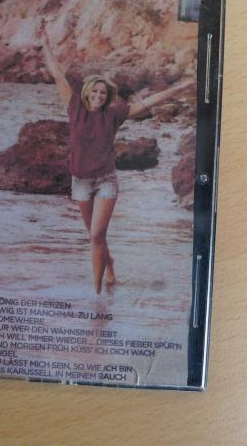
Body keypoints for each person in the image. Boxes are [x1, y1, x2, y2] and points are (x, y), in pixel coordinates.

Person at [39, 23, 189, 294]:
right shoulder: (74, 106)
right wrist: (45, 44)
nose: (98, 96)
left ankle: (97, 296)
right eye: (95, 92)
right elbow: (57, 74)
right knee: (95, 237)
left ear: (107, 97)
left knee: (97, 235)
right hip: (80, 182)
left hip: (105, 180)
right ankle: (110, 269)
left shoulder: (114, 115)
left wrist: (181, 87)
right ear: (87, 92)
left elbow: (150, 102)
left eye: (103, 93)